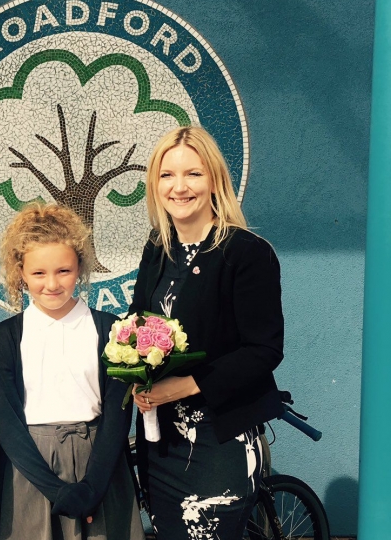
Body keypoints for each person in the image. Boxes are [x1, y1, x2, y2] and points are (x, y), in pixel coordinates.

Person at [128, 126, 284, 539]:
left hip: (220, 439)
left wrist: (183, 386)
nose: (179, 187)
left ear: (214, 179)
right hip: (160, 442)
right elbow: (136, 326)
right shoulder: (157, 248)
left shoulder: (247, 253)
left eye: (193, 174)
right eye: (167, 175)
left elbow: (263, 350)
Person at [0, 203, 143, 540]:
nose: (52, 284)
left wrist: (92, 487)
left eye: (64, 271)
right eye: (39, 273)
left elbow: (118, 412)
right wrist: (57, 491)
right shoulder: (5, 338)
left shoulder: (108, 329)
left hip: (100, 466)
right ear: (20, 272)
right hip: (30, 471)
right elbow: (8, 423)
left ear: (80, 267)